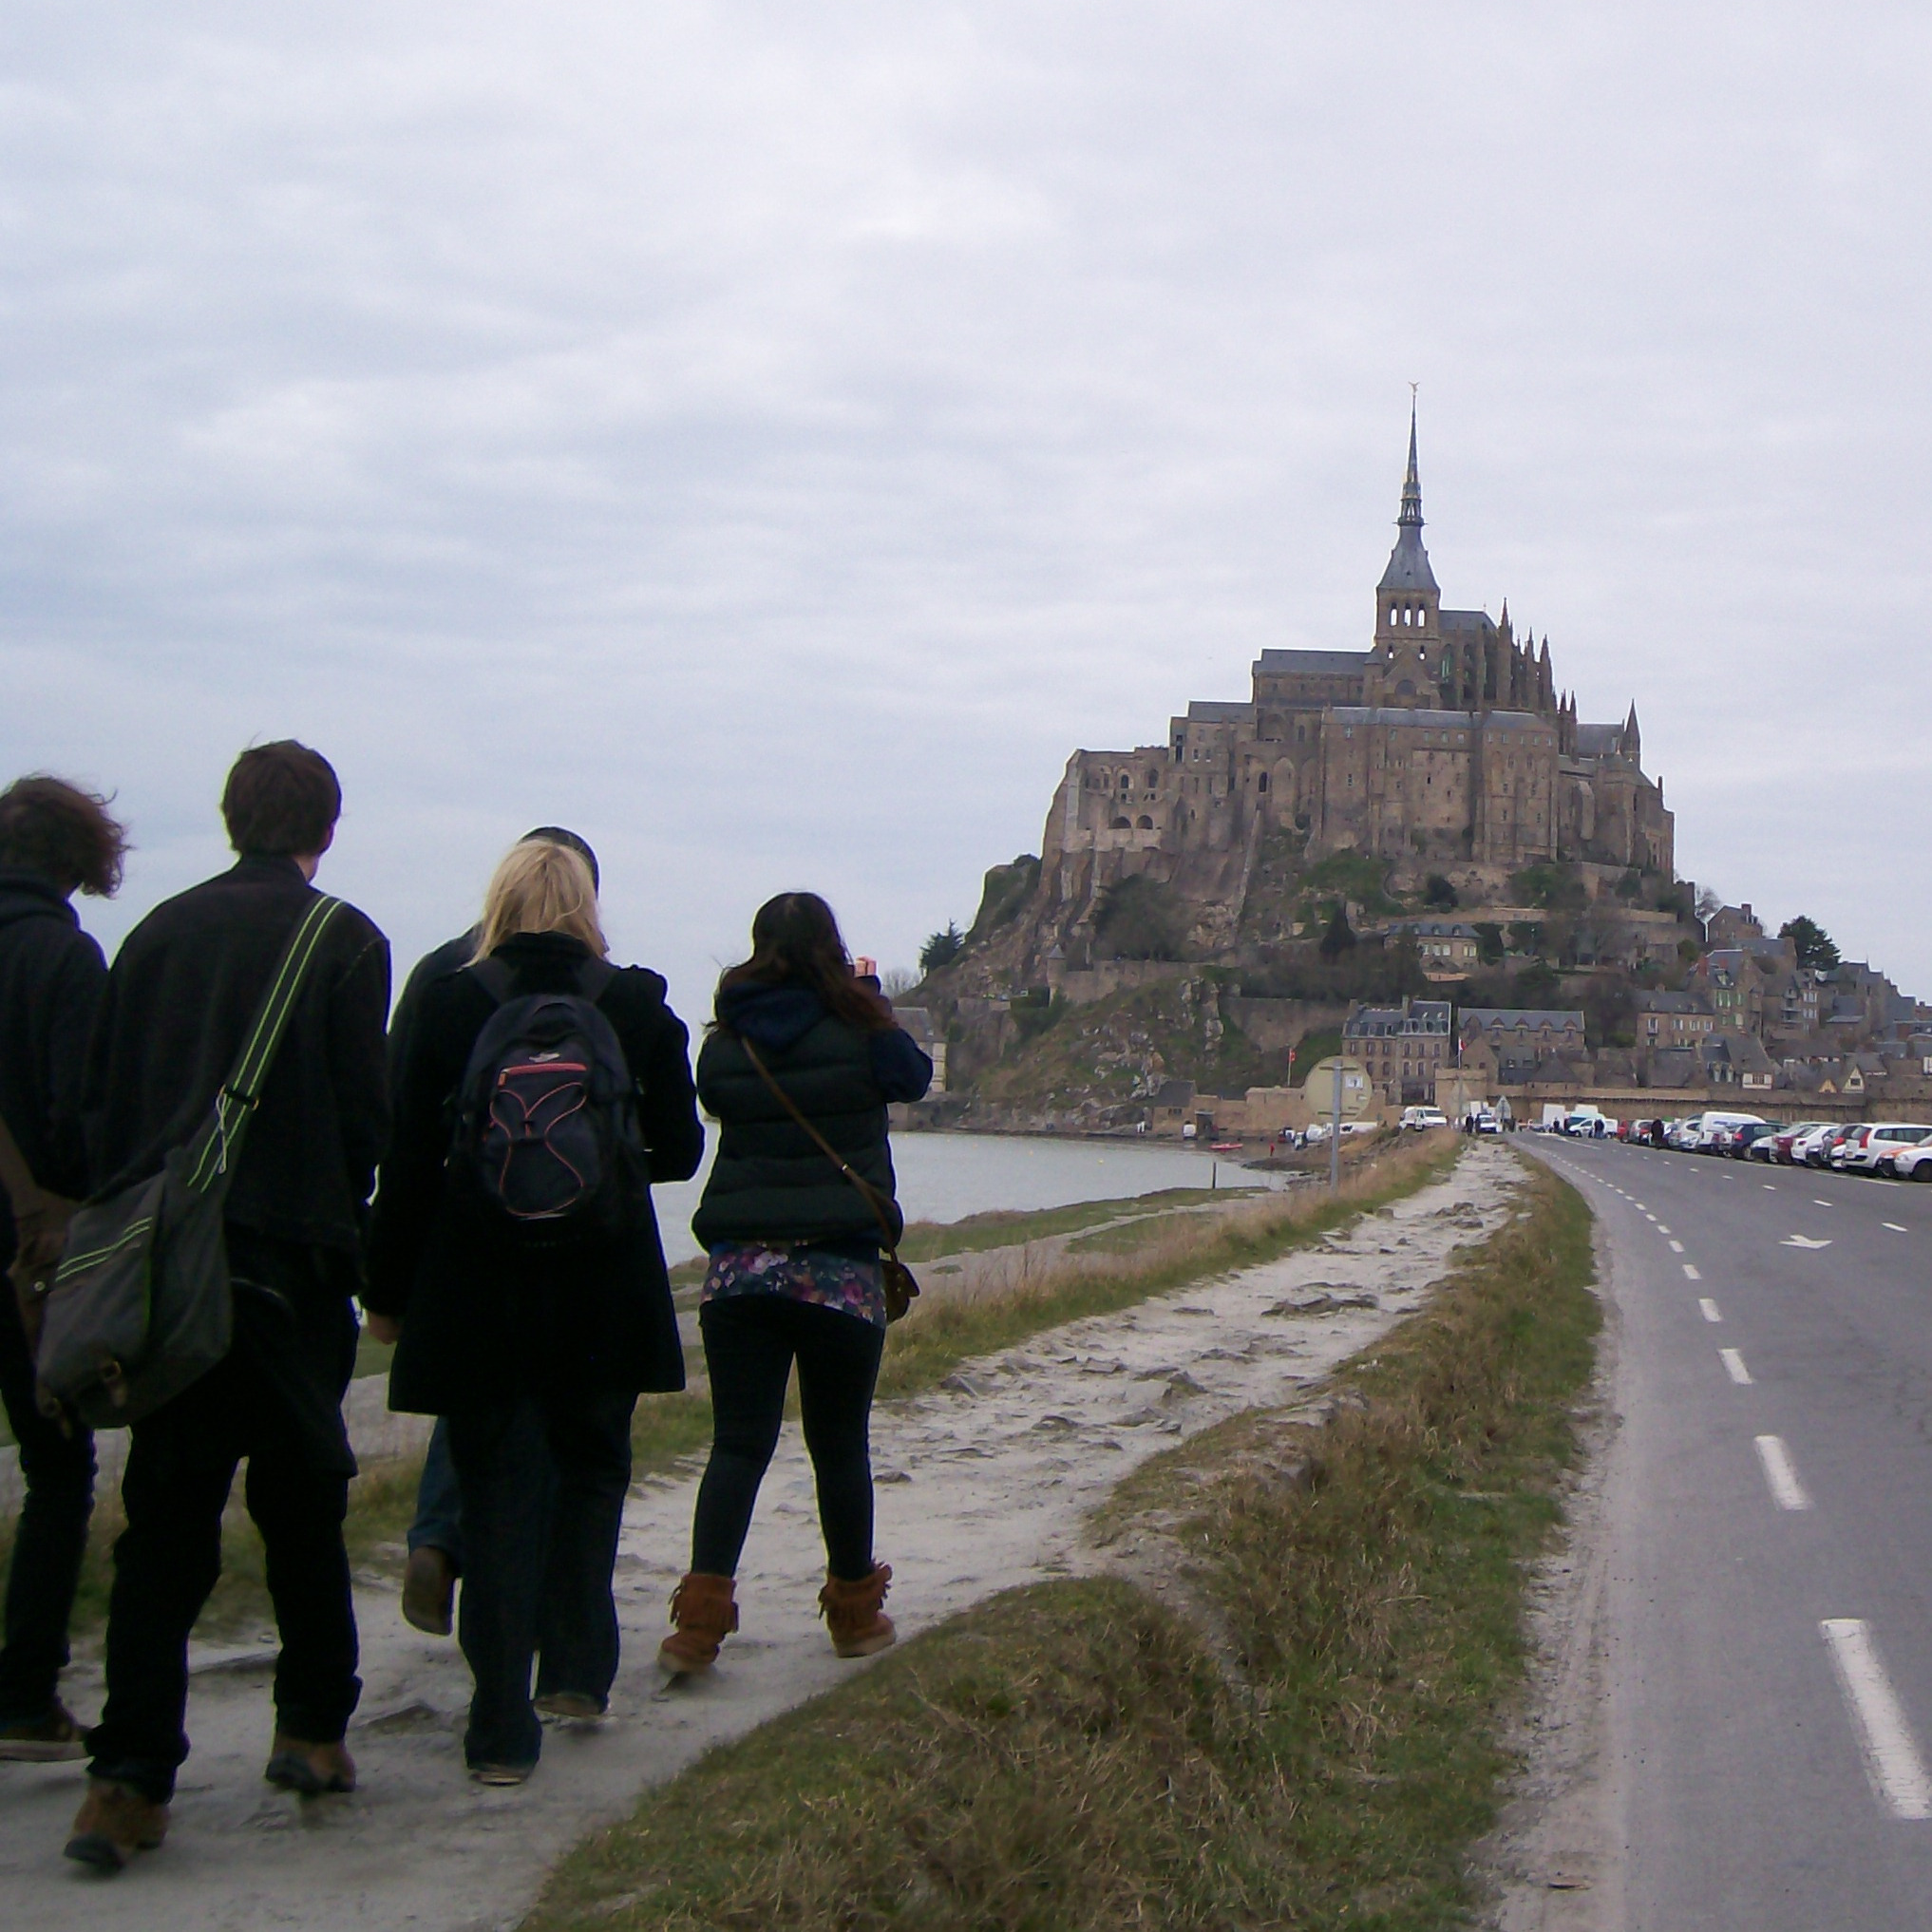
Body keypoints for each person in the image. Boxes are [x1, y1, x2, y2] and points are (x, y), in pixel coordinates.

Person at [66, 742, 389, 1874]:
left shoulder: (152, 935)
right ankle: (310, 1730)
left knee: (165, 1520)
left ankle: (126, 1781)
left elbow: (104, 1109)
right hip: (291, 1267)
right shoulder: (343, 939)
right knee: (303, 1506)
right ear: (327, 828)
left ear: (228, 817)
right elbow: (365, 1120)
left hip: (172, 1269)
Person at [367, 841, 702, 1783]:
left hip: (481, 1291)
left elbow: (405, 1167)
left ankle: (498, 1728)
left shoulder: (450, 999)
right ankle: (579, 1674)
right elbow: (678, 1151)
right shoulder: (635, 1002)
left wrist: (386, 1297)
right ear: (589, 905)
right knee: (592, 1477)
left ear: (498, 903)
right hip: (603, 1289)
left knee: (494, 1497)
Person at [660, 891, 931, 1676]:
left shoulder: (725, 1042)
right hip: (838, 1271)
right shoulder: (862, 1030)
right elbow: (911, 1079)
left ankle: (699, 1625)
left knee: (737, 1446)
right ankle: (853, 1614)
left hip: (742, 1268)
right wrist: (870, 999)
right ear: (833, 953)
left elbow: (715, 1102)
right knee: (837, 1444)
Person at [388, 826, 600, 1640]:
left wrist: (389, 1275)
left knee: (477, 1407)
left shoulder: (443, 977)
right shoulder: (599, 987)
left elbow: (400, 1115)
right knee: (563, 1420)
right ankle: (550, 1631)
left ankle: (441, 1540)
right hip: (570, 1234)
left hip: (464, 1225)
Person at [0, 777, 126, 1761]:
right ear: (79, 860)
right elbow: (81, 1123)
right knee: (56, 1467)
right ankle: (26, 1694)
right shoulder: (60, 955)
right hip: (24, 1250)